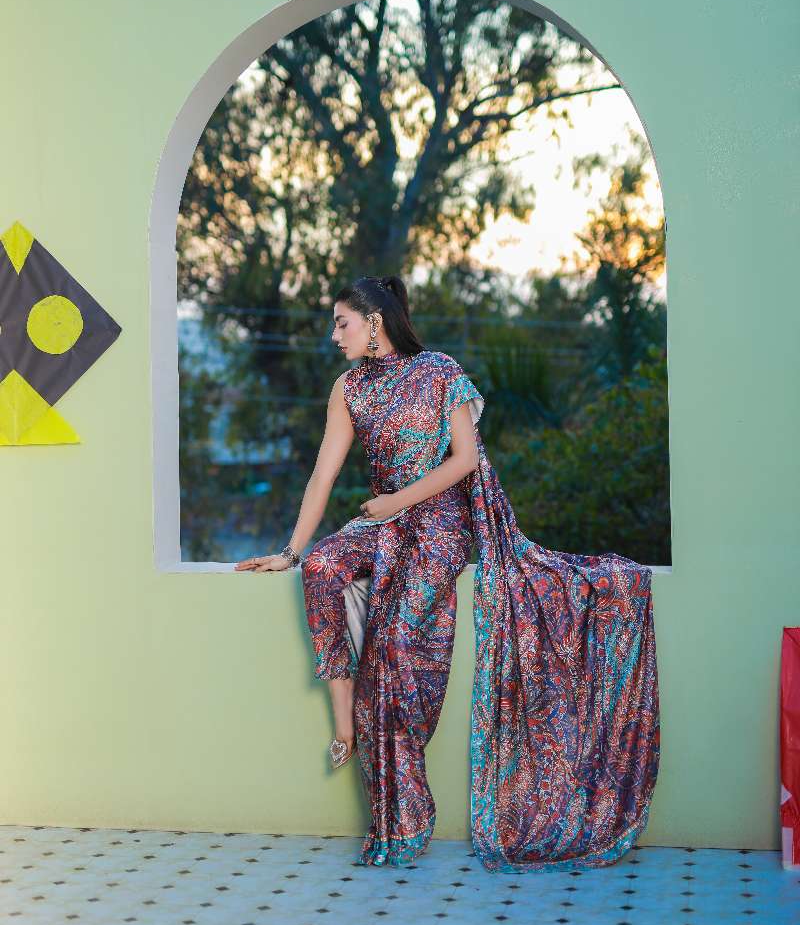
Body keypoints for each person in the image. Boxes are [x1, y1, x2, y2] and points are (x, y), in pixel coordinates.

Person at [235, 275, 659, 872]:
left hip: (440, 524)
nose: (334, 335)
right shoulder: (348, 389)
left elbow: (463, 461)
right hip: (384, 521)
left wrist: (398, 500)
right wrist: (290, 549)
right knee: (323, 568)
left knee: (396, 643)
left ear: (374, 322)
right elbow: (323, 474)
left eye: (341, 323)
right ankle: (344, 722)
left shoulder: (440, 372)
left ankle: (408, 814)